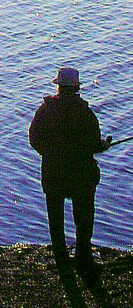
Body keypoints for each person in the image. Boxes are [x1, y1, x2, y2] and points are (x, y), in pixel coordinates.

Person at [29, 67, 112, 282]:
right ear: (76, 87)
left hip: (53, 172)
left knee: (55, 219)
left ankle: (62, 262)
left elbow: (34, 139)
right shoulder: (84, 112)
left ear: (58, 85)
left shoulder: (44, 110)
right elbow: (94, 143)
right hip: (81, 173)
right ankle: (83, 257)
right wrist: (102, 146)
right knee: (83, 218)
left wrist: (49, 153)